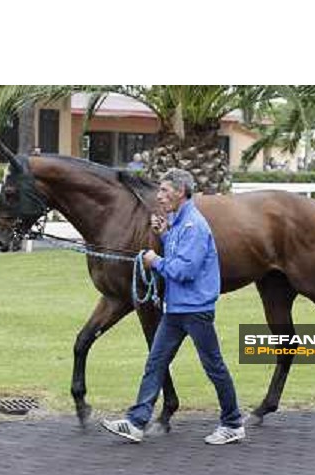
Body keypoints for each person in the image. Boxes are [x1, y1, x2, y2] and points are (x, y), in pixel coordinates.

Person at [101, 169, 245, 445]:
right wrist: (165, 234)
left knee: (214, 366)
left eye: (165, 191)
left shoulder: (194, 226)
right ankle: (136, 422)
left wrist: (154, 260)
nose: (160, 196)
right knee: (155, 363)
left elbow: (185, 270)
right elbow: (179, 253)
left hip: (195, 311)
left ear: (181, 193)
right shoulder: (179, 223)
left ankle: (233, 423)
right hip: (176, 310)